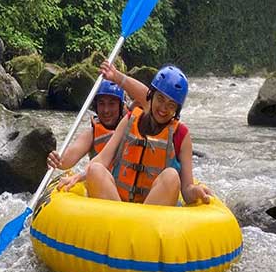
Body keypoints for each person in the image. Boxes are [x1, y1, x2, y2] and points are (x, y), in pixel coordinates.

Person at [84, 65, 212, 206]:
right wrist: (80, 177)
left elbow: (187, 191)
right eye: (160, 99)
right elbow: (102, 158)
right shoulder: (130, 119)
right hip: (119, 207)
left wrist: (195, 191)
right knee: (95, 169)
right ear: (151, 96)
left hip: (152, 214)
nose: (163, 109)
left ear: (177, 110)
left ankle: (134, 226)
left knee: (171, 176)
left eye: (171, 105)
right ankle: (121, 223)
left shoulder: (181, 135)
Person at [51, 61, 150, 188]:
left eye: (112, 104)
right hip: (101, 189)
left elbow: (148, 99)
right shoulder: (91, 134)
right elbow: (66, 161)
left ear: (121, 106)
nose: (106, 110)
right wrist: (55, 159)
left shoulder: (133, 122)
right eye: (101, 103)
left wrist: (117, 76)